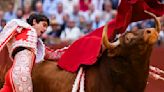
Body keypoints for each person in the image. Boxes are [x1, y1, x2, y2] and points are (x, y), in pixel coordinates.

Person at [0, 13, 67, 92]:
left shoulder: (38, 44)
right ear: (34, 22)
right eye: (44, 25)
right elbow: (2, 40)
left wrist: (72, 49)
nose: (45, 29)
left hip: (12, 74)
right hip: (22, 75)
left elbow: (54, 55)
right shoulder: (20, 26)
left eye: (46, 27)